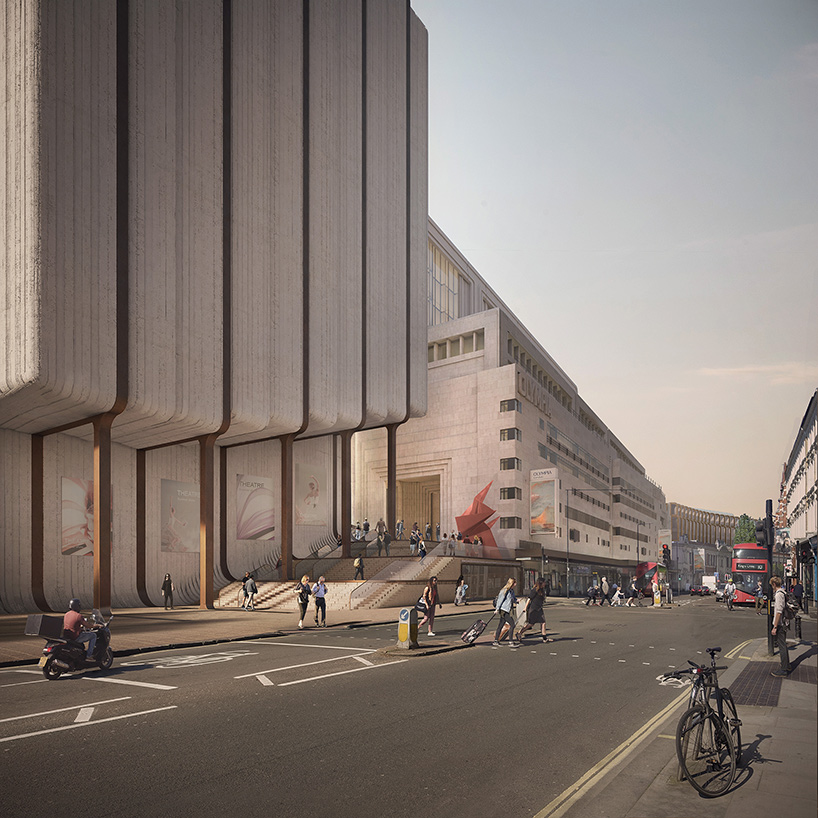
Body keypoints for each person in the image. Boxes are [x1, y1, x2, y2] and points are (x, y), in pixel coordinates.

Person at [516, 577, 552, 643]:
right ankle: (519, 633)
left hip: (539, 609)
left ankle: (544, 638)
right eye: (544, 582)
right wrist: (525, 607)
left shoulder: (542, 590)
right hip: (534, 609)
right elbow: (529, 599)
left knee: (543, 622)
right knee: (530, 624)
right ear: (541, 583)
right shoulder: (535, 590)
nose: (545, 583)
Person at [770, 575, 791, 677]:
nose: (772, 587)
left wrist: (775, 627)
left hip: (780, 624)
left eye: (772, 585)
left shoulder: (779, 595)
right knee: (783, 645)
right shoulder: (784, 592)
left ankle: (783, 670)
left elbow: (778, 612)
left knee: (781, 646)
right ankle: (786, 665)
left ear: (774, 584)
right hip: (784, 622)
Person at [492, 578, 520, 647]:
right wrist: (497, 609)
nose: (515, 584)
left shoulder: (511, 591)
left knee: (501, 625)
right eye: (514, 583)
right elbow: (500, 600)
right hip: (504, 610)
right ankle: (511, 642)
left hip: (508, 610)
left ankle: (496, 641)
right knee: (512, 624)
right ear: (511, 583)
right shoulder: (504, 591)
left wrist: (516, 601)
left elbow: (513, 599)